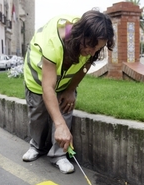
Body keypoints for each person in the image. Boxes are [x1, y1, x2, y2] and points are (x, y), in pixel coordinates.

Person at [22, 10, 115, 174]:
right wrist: (59, 125)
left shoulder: (90, 43)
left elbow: (86, 65)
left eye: (98, 48)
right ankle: (36, 146)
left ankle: (59, 155)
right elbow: (47, 87)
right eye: (92, 47)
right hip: (38, 80)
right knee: (38, 114)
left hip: (64, 82)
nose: (94, 52)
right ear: (81, 36)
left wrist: (71, 89)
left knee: (65, 108)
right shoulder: (53, 42)